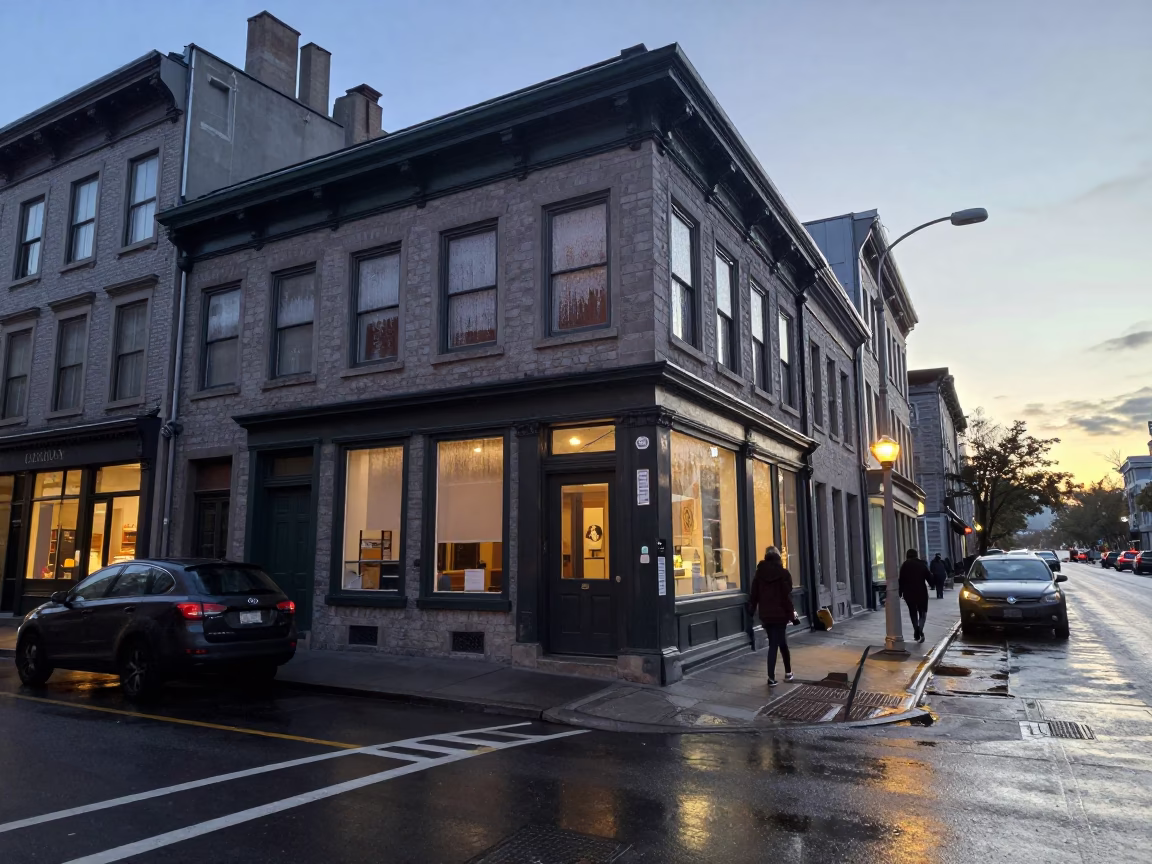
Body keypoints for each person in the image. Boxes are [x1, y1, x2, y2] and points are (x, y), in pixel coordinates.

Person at [747, 546, 800, 686]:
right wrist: (792, 614)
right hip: (780, 614)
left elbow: (754, 595)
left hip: (766, 614)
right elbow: (787, 595)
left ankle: (786, 673)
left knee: (778, 642)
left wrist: (751, 611)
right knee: (777, 644)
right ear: (778, 557)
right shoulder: (783, 574)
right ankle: (776, 676)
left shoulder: (759, 573)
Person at [898, 548, 932, 643]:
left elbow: (901, 580)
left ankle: (915, 629)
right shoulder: (922, 564)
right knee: (923, 612)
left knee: (913, 612)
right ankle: (920, 629)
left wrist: (900, 592)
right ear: (916, 555)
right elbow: (929, 577)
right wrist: (933, 584)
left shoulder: (905, 565)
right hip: (921, 592)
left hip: (908, 593)